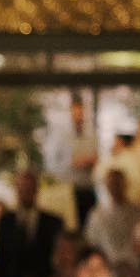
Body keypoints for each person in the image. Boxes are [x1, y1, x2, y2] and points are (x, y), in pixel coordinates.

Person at [83, 168, 140, 277]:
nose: (115, 188)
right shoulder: (97, 215)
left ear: (126, 184)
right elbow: (92, 244)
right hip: (110, 274)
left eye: (118, 183)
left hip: (137, 274)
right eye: (112, 184)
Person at [55, 95, 99, 229]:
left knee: (89, 225)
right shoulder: (61, 135)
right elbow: (54, 162)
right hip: (69, 188)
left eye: (81, 111)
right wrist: (72, 162)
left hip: (87, 187)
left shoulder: (91, 134)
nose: (79, 114)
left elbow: (97, 157)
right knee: (71, 225)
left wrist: (91, 160)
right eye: (76, 111)